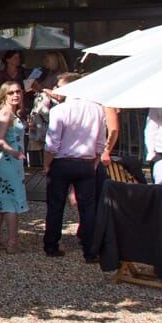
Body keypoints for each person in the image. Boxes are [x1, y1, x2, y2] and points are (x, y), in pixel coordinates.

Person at [42, 73, 108, 260]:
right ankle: (90, 250)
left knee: (55, 206)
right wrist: (94, 162)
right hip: (86, 163)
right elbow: (100, 142)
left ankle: (51, 246)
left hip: (62, 162)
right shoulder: (97, 109)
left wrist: (47, 164)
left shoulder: (60, 110)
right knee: (88, 208)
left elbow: (52, 143)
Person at [0, 81, 29, 252]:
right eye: (11, 93)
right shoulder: (6, 113)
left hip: (8, 162)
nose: (16, 95)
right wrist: (15, 153)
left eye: (18, 91)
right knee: (11, 202)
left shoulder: (11, 113)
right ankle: (12, 243)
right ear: (4, 95)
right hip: (7, 161)